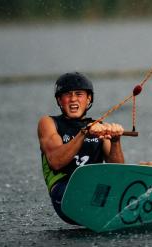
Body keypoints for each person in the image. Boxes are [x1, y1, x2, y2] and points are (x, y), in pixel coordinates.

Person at [37, 72, 126, 224]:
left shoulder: (100, 127)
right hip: (65, 194)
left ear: (88, 99)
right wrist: (84, 132)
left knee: (149, 165)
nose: (73, 99)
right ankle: (114, 208)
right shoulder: (49, 123)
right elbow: (56, 161)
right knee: (91, 188)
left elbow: (118, 172)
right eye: (67, 95)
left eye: (79, 94)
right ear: (59, 100)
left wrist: (116, 140)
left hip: (97, 189)